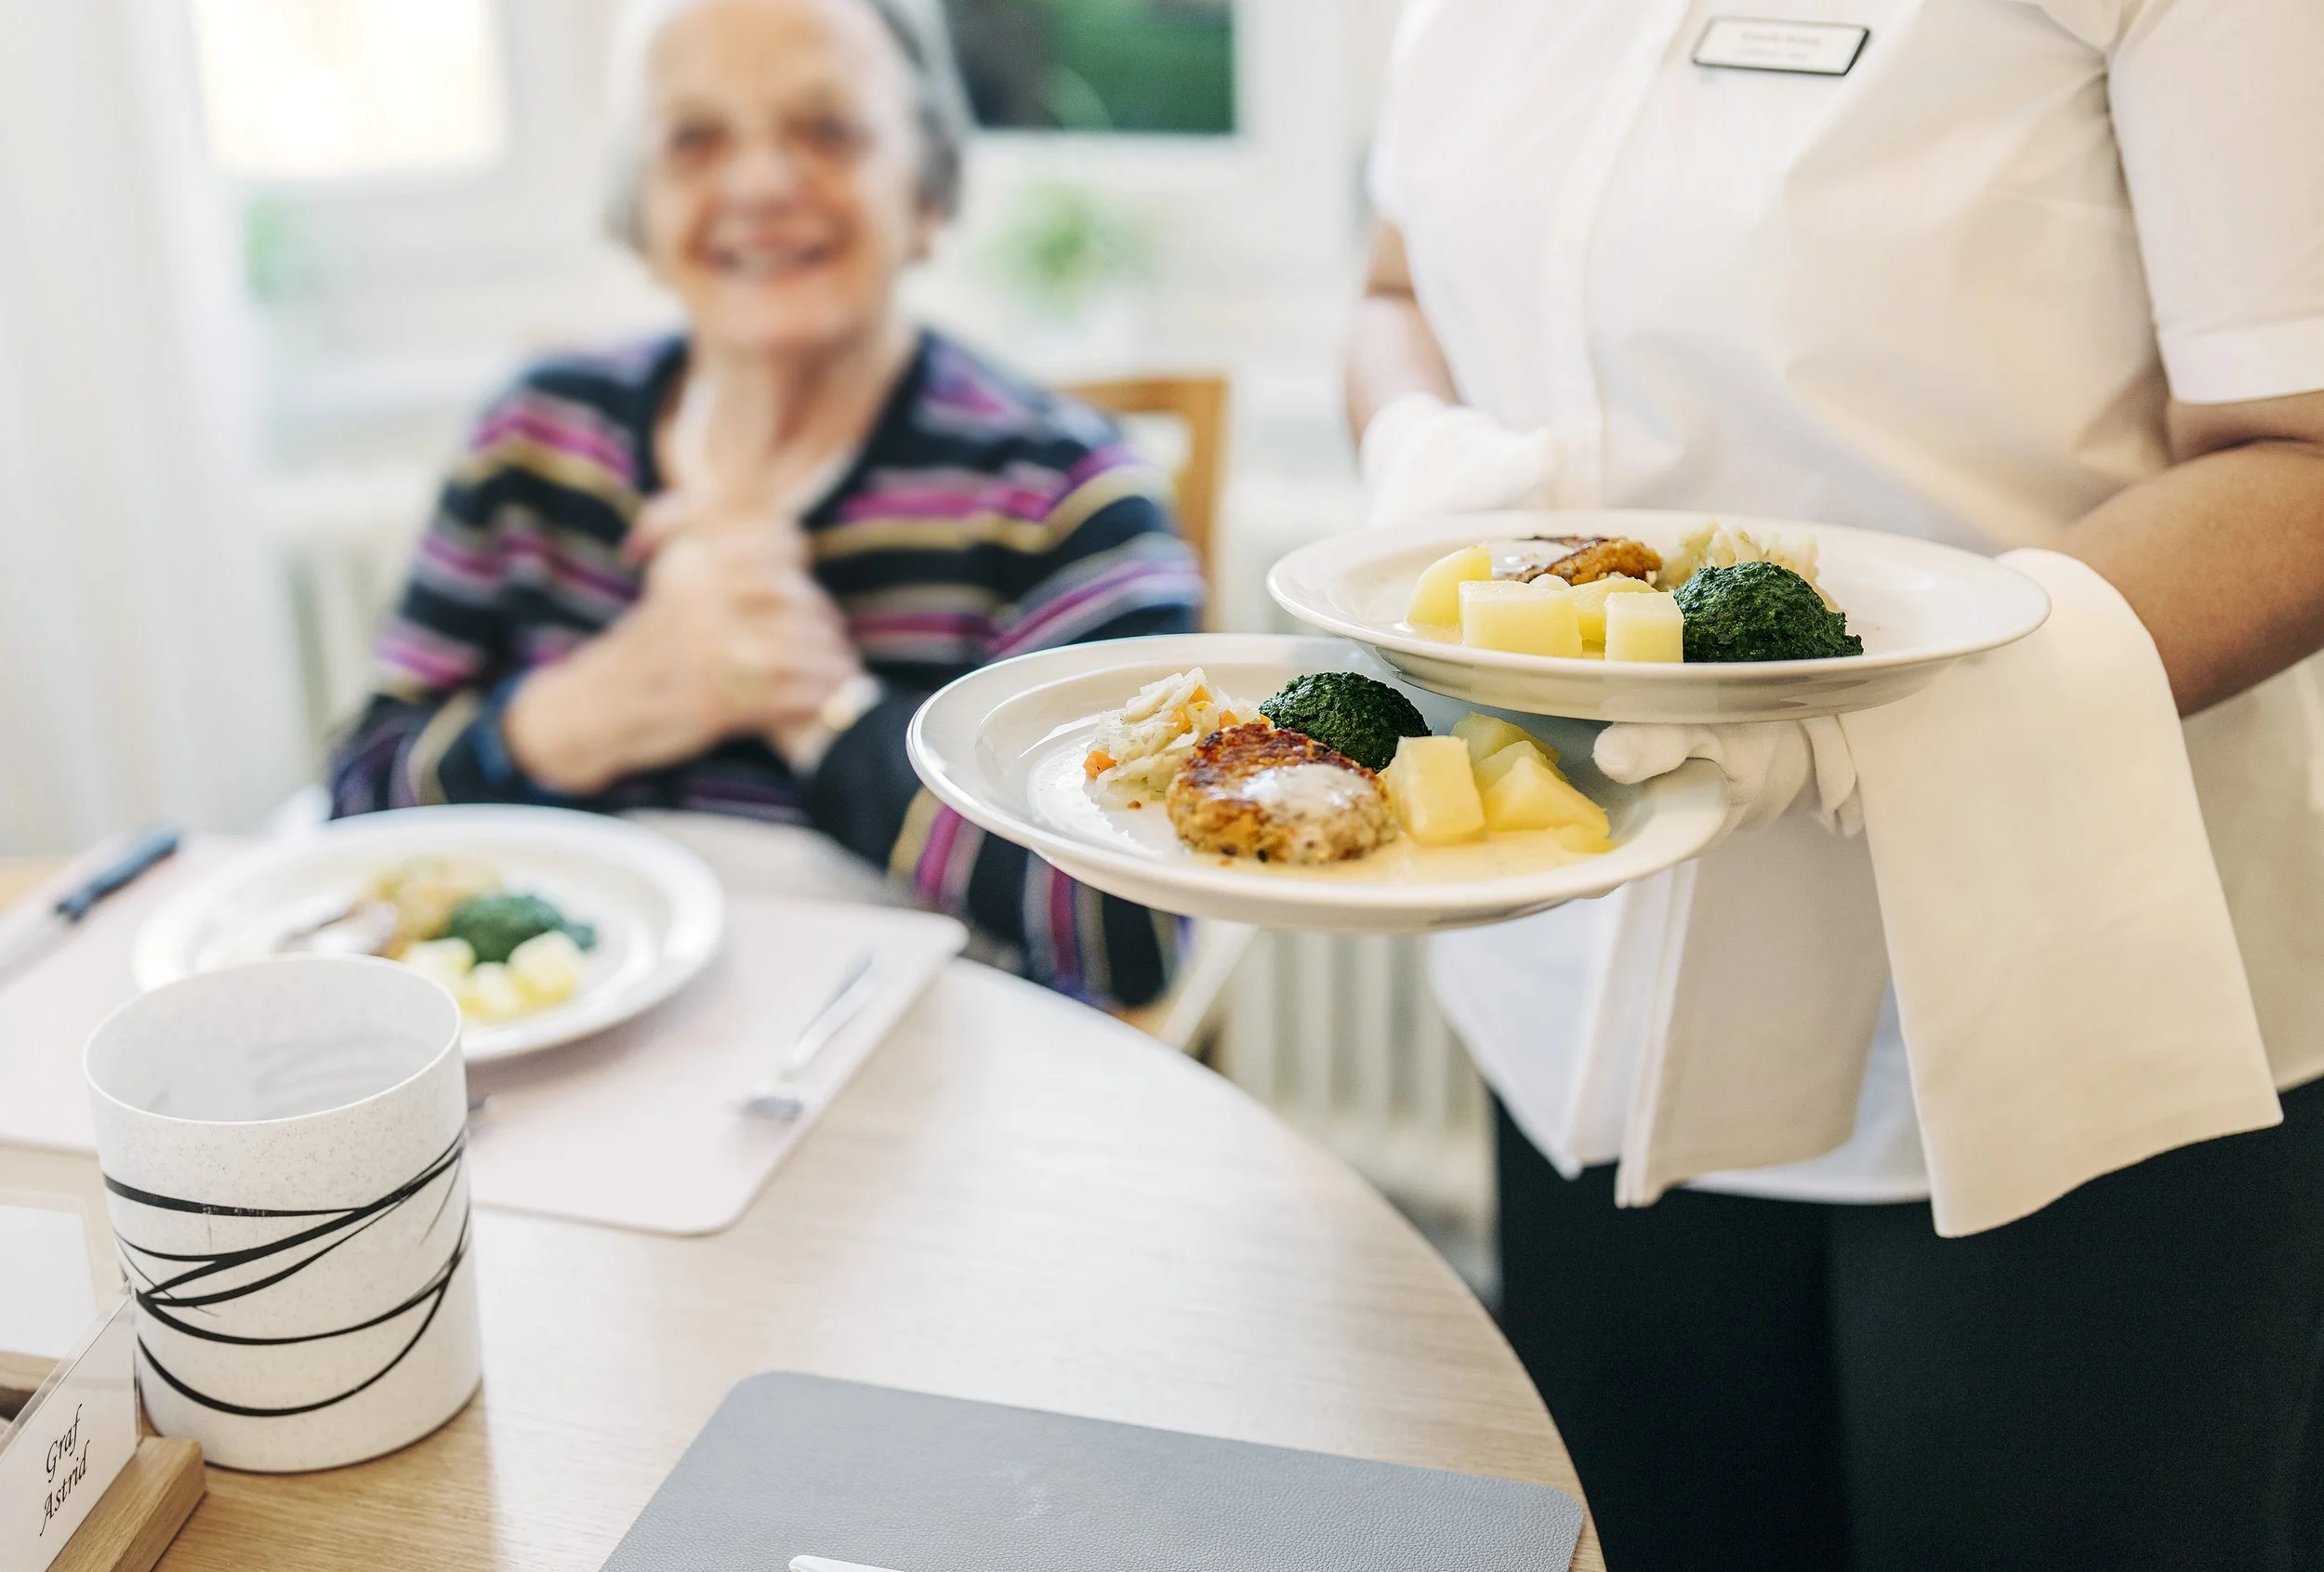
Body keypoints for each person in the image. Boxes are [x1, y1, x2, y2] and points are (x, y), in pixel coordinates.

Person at [1347, 3, 2324, 1568]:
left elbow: (2303, 452)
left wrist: (1885, 697)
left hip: (2066, 1015)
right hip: (1583, 975)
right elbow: (1395, 289)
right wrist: (1423, 460)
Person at [331, 0, 1201, 1010]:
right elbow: (356, 804)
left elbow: (1128, 926)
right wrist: (595, 705)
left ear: (928, 190)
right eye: (693, 139)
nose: (757, 184)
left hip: (911, 1083)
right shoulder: (535, 437)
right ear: (639, 208)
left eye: (828, 128)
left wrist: (819, 708)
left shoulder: (1061, 491)